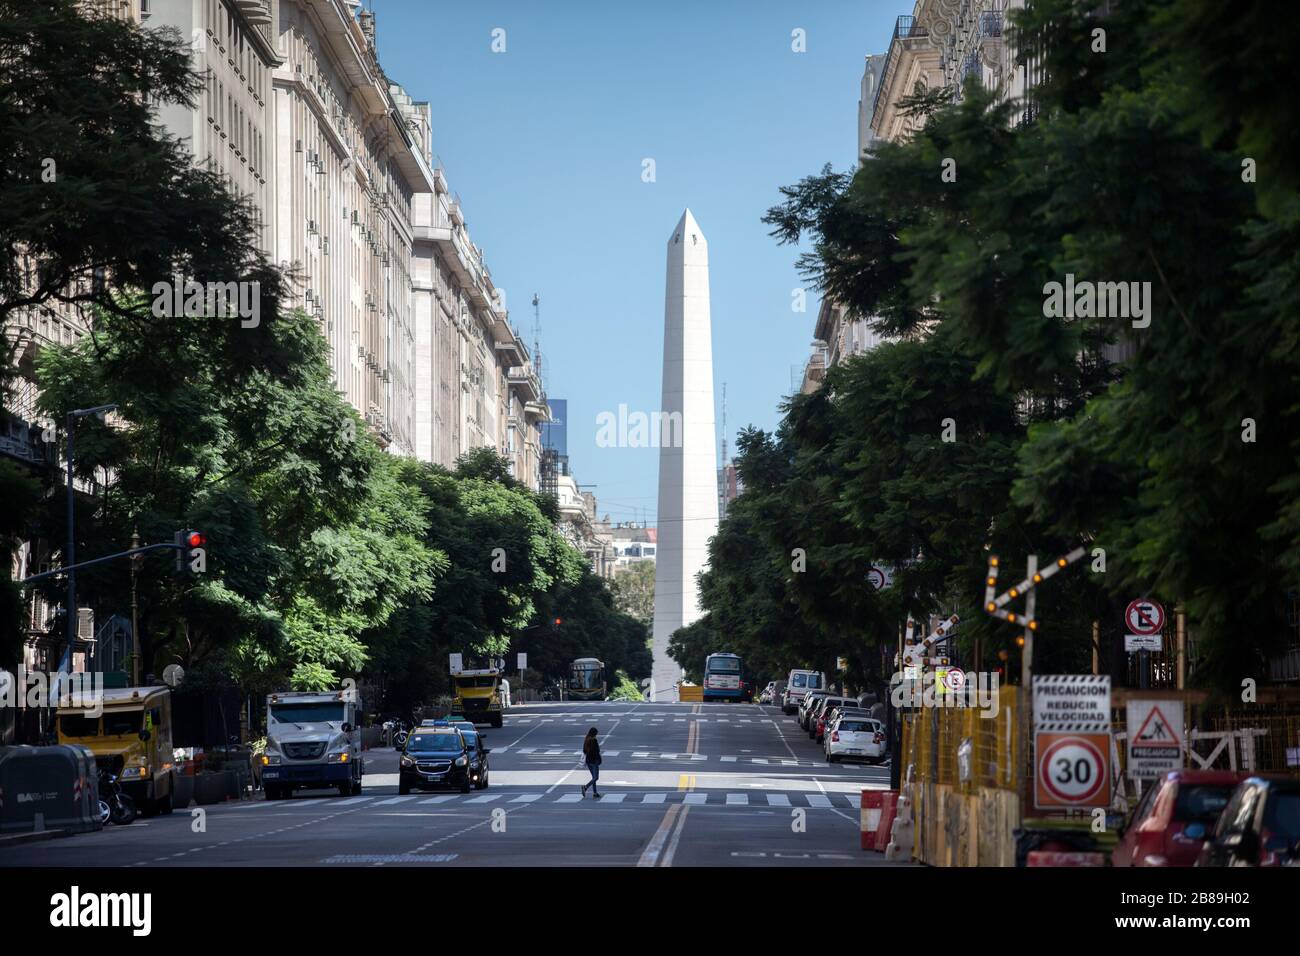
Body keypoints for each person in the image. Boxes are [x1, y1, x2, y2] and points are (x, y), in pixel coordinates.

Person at [580, 727, 602, 799]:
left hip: (588, 761)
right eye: (596, 734)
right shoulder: (594, 740)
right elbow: (596, 751)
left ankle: (595, 793)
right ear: (594, 734)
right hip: (594, 761)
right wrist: (598, 759)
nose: (596, 735)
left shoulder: (586, 739)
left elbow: (584, 750)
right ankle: (585, 787)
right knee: (596, 778)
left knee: (593, 778)